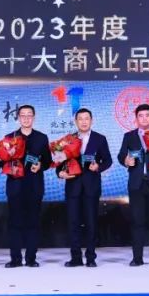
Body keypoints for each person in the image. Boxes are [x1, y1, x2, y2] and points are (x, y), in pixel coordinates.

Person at [58, 108, 112, 267]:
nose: (83, 121)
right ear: (75, 122)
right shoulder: (68, 139)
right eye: (80, 119)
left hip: (91, 186)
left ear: (91, 120)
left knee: (91, 222)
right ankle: (75, 258)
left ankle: (91, 257)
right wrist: (59, 172)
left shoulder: (100, 139)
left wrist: (98, 167)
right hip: (73, 186)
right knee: (73, 223)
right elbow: (60, 161)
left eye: (86, 118)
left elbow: (108, 160)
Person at [117, 103, 149, 266]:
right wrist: (126, 160)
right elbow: (121, 155)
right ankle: (137, 258)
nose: (144, 118)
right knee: (137, 221)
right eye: (141, 116)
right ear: (136, 118)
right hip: (136, 183)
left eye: (147, 115)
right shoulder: (129, 136)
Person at [4, 104, 51, 268]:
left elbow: (48, 161)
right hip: (15, 186)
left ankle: (31, 258)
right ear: (18, 118)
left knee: (33, 223)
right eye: (22, 115)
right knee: (14, 223)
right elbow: (3, 160)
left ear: (34, 117)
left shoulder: (42, 138)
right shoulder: (9, 137)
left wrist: (40, 166)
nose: (26, 118)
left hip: (34, 185)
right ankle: (15, 259)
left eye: (29, 115)